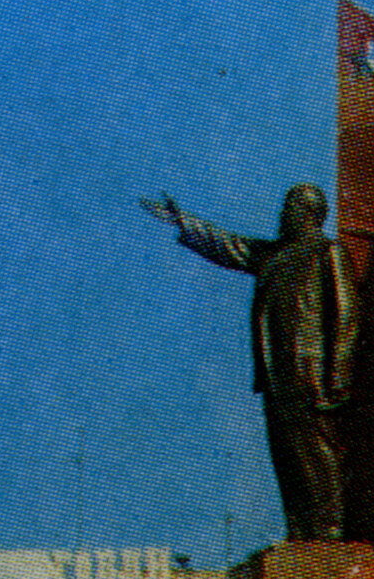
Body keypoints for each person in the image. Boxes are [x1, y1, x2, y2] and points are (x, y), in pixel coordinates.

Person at [145, 183, 359, 541]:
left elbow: (346, 318)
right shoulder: (274, 255)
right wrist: (183, 221)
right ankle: (300, 532)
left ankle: (328, 529)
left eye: (289, 208)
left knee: (317, 451)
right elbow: (230, 246)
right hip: (276, 373)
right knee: (286, 455)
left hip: (312, 374)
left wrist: (338, 379)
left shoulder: (328, 252)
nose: (281, 214)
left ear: (309, 213)